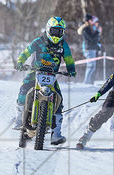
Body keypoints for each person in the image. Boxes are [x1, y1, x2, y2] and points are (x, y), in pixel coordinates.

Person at [13, 16, 77, 145]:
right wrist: (20, 62)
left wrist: (71, 70)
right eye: (54, 31)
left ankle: (56, 134)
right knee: (23, 92)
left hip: (52, 75)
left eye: (59, 31)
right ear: (48, 29)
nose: (56, 34)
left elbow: (69, 59)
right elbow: (26, 52)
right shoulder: (38, 41)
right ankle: (19, 120)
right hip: (34, 72)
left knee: (59, 100)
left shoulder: (63, 45)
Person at [78, 14, 103, 84]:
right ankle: (86, 82)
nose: (93, 21)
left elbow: (94, 38)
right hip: (89, 49)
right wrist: (98, 32)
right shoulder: (85, 29)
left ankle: (90, 82)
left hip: (92, 49)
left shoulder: (90, 28)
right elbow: (91, 38)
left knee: (92, 67)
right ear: (89, 21)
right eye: (92, 20)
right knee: (91, 66)